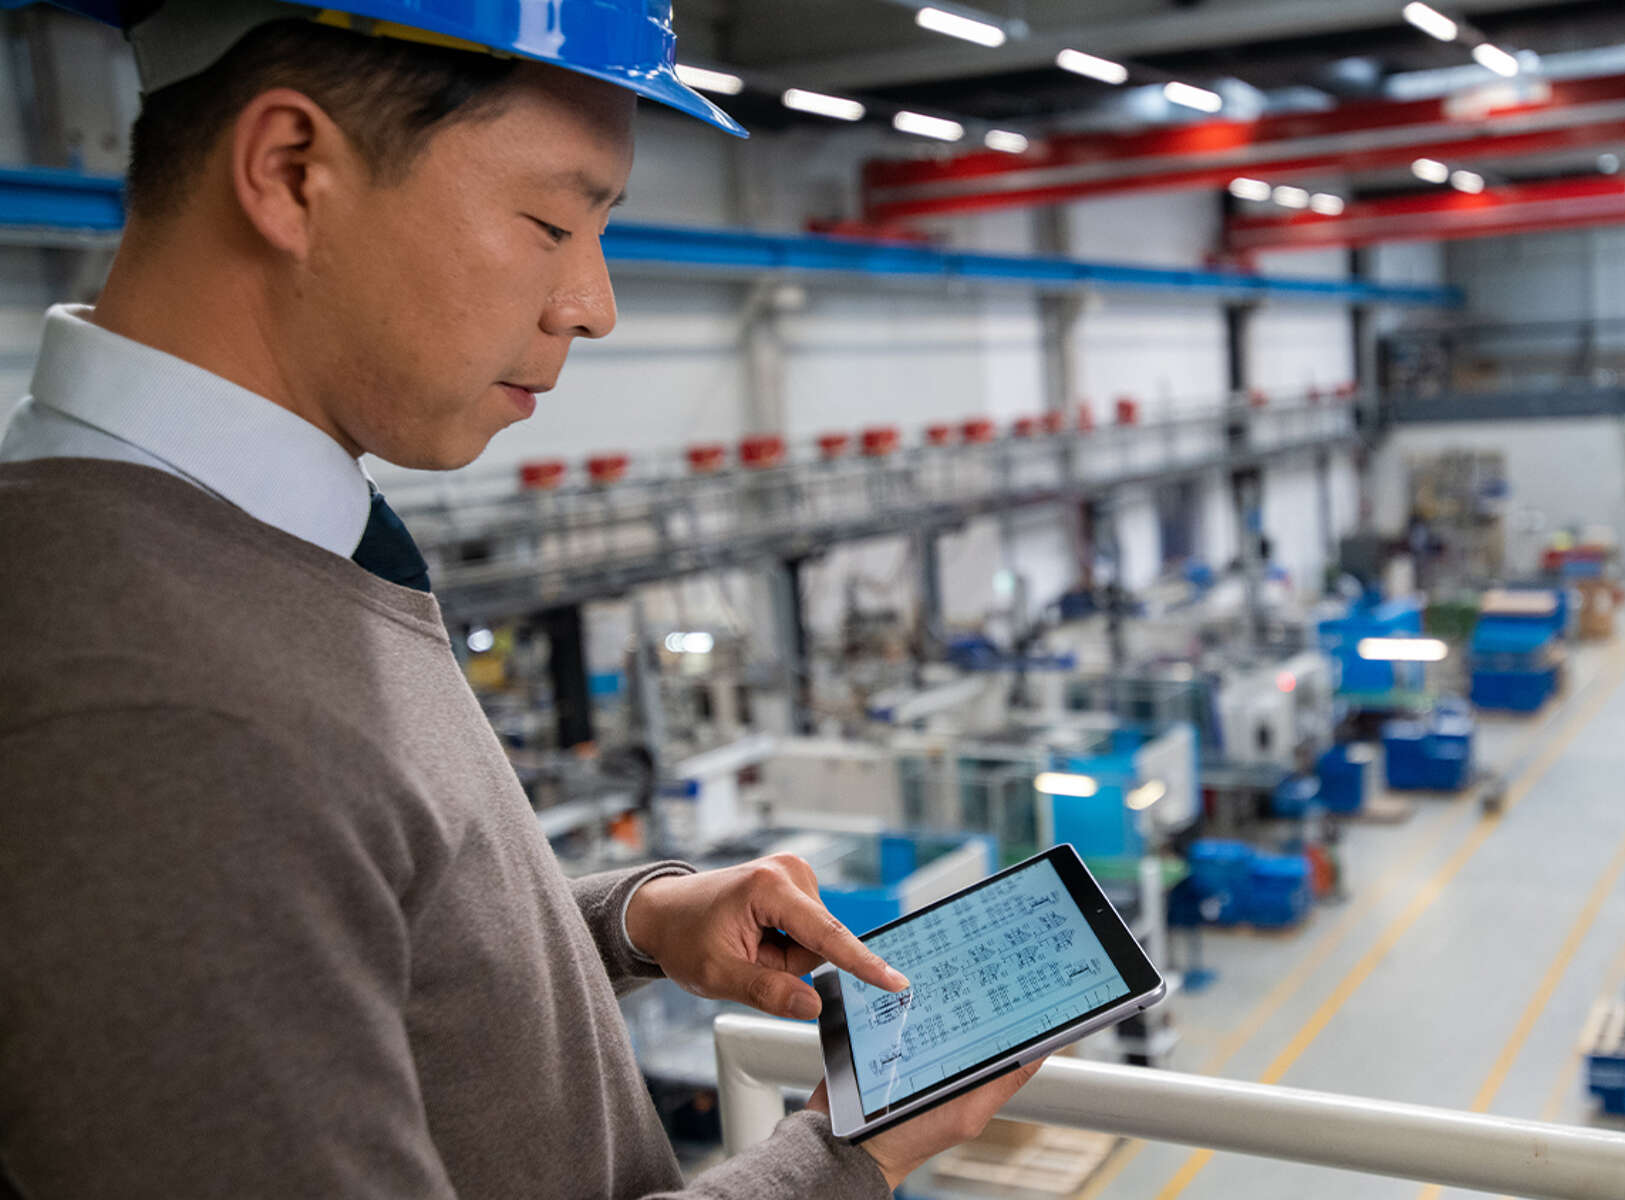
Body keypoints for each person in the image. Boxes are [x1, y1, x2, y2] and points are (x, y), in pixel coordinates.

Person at [0, 2, 1037, 1196]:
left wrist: (632, 923)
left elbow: (366, 948)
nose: (592, 305)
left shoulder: (255, 546)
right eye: (551, 221)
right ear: (292, 173)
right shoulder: (151, 716)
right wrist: (843, 1158)